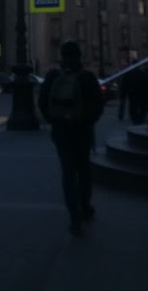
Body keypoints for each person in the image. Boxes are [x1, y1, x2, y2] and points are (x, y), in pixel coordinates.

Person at [38, 41, 104, 237]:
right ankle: (86, 207)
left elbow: (42, 102)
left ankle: (74, 218)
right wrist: (86, 121)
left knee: (68, 173)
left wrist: (55, 120)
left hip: (61, 132)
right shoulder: (87, 77)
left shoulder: (52, 76)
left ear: (61, 56)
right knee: (83, 170)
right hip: (82, 131)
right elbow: (98, 106)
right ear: (79, 56)